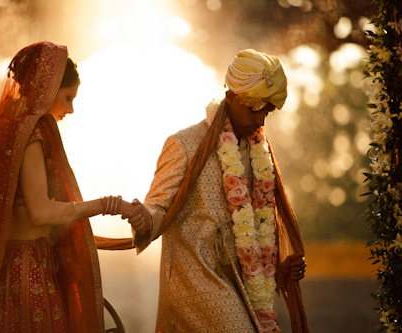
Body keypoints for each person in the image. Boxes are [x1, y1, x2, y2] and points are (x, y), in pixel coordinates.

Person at [122, 49, 309, 333]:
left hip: (242, 277)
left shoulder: (256, 148)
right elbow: (158, 207)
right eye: (254, 108)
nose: (261, 121)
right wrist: (143, 217)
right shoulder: (184, 143)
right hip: (195, 275)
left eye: (267, 112)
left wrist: (280, 269)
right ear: (231, 97)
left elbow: (263, 224)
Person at [0, 41, 129, 332]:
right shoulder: (32, 132)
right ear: (47, 88)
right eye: (68, 98)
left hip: (19, 266)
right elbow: (40, 212)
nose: (71, 109)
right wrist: (107, 205)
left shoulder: (8, 129)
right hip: (28, 274)